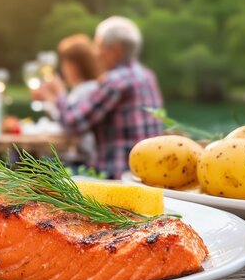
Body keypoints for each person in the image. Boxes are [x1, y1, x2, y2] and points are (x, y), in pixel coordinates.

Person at [33, 16, 163, 179]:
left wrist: (59, 93)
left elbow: (73, 123)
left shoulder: (116, 81)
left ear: (114, 50)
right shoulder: (146, 76)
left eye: (98, 45)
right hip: (145, 173)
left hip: (117, 174)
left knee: (39, 172)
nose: (94, 52)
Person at [55, 34, 102, 164]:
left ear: (77, 65)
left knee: (21, 162)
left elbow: (69, 125)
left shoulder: (89, 89)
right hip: (78, 157)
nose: (63, 68)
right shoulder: (82, 88)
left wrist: (59, 93)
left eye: (66, 62)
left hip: (84, 161)